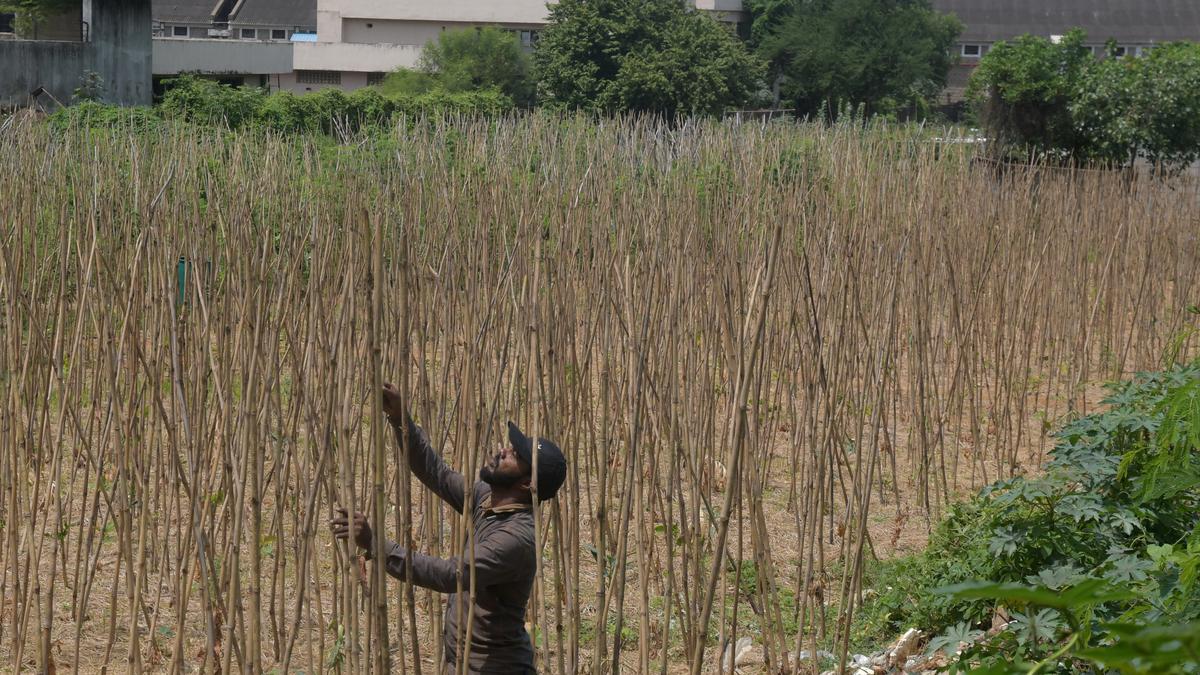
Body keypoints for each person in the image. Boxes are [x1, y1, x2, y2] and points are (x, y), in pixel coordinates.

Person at [331, 383, 568, 674]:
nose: (503, 450)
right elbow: (437, 474)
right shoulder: (486, 498)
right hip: (463, 661)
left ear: (526, 484)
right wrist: (400, 419)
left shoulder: (515, 540)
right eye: (511, 446)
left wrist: (375, 543)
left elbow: (450, 574)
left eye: (515, 455)